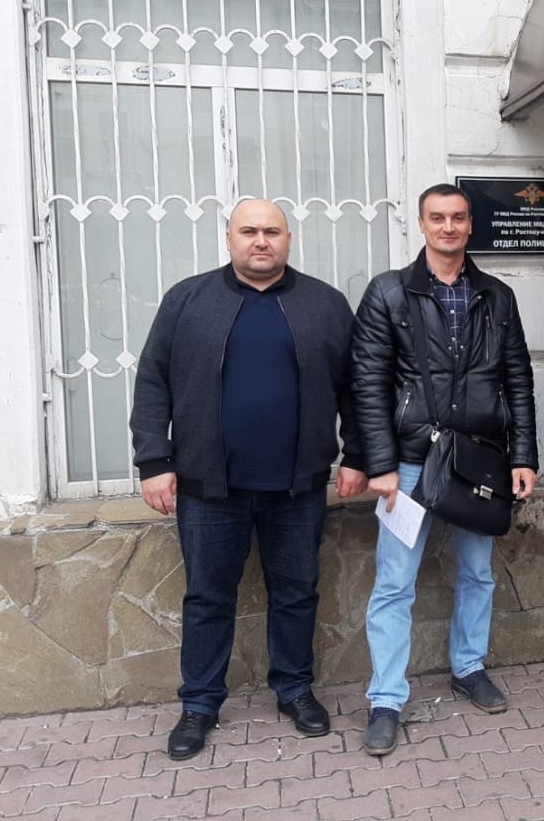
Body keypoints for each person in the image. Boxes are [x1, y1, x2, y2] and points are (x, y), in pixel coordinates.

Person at [130, 198, 367, 761]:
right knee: (208, 599)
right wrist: (154, 462)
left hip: (297, 487)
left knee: (297, 593)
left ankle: (295, 690)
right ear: (229, 238)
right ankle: (200, 704)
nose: (261, 241)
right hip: (209, 489)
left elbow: (355, 388)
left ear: (288, 239)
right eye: (249, 231)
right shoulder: (188, 300)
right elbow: (153, 382)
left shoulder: (325, 304)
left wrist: (358, 455)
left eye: (272, 231)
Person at [353, 182, 538, 757]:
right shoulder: (388, 292)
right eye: (438, 218)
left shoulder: (497, 296)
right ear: (422, 223)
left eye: (458, 217)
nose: (449, 227)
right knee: (394, 584)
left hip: (480, 463)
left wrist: (523, 455)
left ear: (470, 224)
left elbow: (518, 379)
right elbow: (367, 383)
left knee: (478, 573)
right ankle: (386, 699)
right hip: (410, 467)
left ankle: (469, 667)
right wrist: (381, 464)